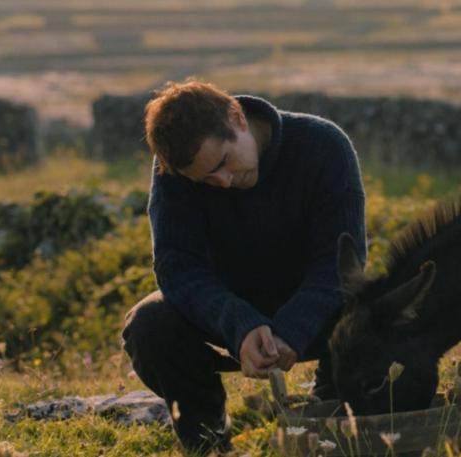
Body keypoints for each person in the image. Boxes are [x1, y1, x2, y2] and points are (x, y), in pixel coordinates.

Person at [121, 80, 366, 455]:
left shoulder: (323, 145)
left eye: (222, 163)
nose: (221, 182)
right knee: (148, 324)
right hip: (226, 309)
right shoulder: (172, 170)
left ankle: (332, 404)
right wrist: (240, 324)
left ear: (237, 118)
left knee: (374, 307)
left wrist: (291, 329)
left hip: (316, 307)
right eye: (205, 180)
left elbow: (340, 265)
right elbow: (178, 268)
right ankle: (206, 434)